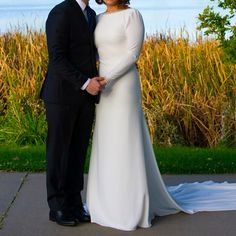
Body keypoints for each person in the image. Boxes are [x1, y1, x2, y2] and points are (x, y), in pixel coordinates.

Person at [86, 0, 236, 231]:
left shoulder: (132, 15)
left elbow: (132, 54)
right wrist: (94, 79)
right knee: (107, 140)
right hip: (102, 85)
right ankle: (106, 201)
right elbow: (94, 52)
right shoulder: (98, 18)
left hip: (122, 84)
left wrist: (108, 78)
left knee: (126, 138)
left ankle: (131, 204)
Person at [40, 0, 106, 227]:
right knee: (59, 153)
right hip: (61, 96)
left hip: (85, 97)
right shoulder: (60, 12)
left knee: (77, 153)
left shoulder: (91, 14)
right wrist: (85, 82)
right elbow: (56, 58)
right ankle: (56, 207)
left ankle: (74, 204)